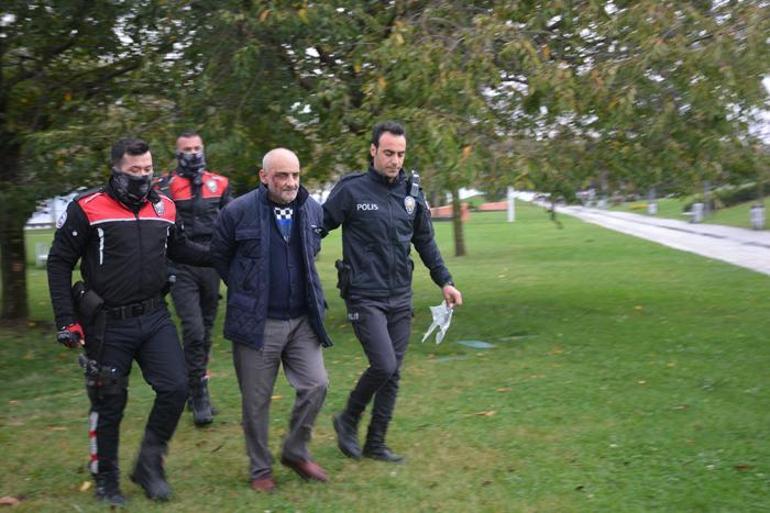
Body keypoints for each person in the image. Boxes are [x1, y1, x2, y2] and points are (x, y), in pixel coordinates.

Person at [47, 137, 211, 505]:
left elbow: (180, 249)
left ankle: (149, 465)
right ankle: (107, 479)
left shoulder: (165, 207)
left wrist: (222, 254)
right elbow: (59, 261)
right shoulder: (87, 208)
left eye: (148, 170)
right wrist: (66, 320)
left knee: (176, 388)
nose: (142, 176)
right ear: (116, 169)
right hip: (106, 323)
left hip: (154, 317)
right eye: (134, 170)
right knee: (110, 400)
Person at [322, 121, 463, 463]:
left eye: (400, 154)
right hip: (363, 294)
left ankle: (375, 443)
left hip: (400, 295)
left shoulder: (412, 193)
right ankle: (348, 419)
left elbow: (425, 240)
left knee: (393, 373)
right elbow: (319, 226)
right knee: (383, 365)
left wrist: (445, 281)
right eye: (388, 153)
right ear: (373, 151)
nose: (395, 160)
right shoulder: (351, 190)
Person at [211, 148, 332, 492]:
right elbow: (219, 255)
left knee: (316, 384)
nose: (290, 182)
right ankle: (260, 469)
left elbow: (313, 251)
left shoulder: (311, 209)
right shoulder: (237, 212)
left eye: (295, 175)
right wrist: (245, 288)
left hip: (302, 320)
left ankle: (295, 451)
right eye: (282, 175)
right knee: (256, 401)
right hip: (257, 323)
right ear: (264, 176)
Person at [156, 131, 232, 426]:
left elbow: (232, 220)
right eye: (186, 149)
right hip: (181, 264)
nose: (192, 153)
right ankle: (199, 394)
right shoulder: (165, 185)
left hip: (212, 265)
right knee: (194, 329)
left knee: (207, 328)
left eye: (197, 148)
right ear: (177, 153)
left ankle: (195, 385)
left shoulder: (221, 183)